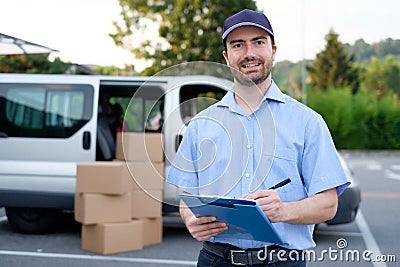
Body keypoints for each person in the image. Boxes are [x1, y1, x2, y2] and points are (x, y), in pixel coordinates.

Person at [166, 9, 350, 267]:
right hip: (215, 260)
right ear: (226, 56)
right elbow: (187, 197)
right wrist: (190, 221)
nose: (249, 53)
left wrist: (283, 210)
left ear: (273, 50)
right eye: (238, 45)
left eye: (258, 42)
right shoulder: (199, 126)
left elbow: (328, 204)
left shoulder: (308, 123)